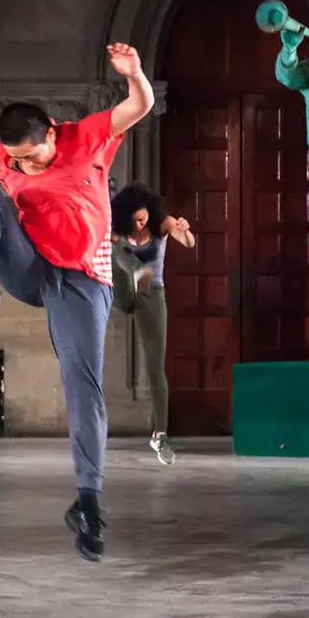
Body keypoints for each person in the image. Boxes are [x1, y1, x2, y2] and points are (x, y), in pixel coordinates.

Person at [0, 43, 155, 563]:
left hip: (81, 282)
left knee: (82, 382)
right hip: (29, 269)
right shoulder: (5, 158)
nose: (22, 167)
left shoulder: (86, 138)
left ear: (51, 132)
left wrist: (134, 74)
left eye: (30, 157)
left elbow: (138, 108)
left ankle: (87, 500)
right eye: (16, 161)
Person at [109, 183, 195, 466]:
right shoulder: (120, 230)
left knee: (156, 367)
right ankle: (135, 270)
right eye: (134, 221)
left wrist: (183, 229)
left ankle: (160, 434)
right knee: (116, 246)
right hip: (121, 290)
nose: (139, 224)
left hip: (150, 292)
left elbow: (188, 242)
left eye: (143, 218)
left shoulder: (161, 224)